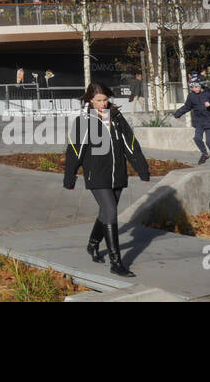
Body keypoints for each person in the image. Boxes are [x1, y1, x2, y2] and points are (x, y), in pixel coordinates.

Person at [63, 82, 150, 277]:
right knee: (111, 211)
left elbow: (131, 145)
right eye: (99, 100)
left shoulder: (117, 118)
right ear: (90, 100)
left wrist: (142, 169)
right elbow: (75, 151)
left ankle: (93, 244)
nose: (103, 104)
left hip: (117, 173)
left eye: (105, 100)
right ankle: (116, 262)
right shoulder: (83, 121)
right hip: (97, 175)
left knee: (106, 212)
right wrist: (70, 176)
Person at [172, 78, 210, 166]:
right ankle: (205, 154)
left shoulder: (209, 94)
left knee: (209, 142)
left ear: (200, 86)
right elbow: (187, 106)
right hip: (199, 122)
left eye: (197, 87)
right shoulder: (191, 96)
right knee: (197, 138)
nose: (195, 89)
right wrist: (178, 114)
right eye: (193, 87)